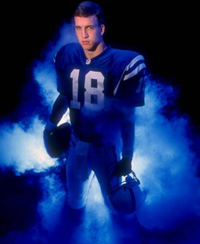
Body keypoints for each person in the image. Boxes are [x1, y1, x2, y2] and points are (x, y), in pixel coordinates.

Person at [43, 1, 147, 217]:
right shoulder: (68, 55)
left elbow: (128, 117)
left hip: (105, 148)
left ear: (101, 28)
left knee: (119, 203)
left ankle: (123, 240)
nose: (84, 35)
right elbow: (65, 95)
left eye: (89, 28)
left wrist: (127, 157)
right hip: (75, 142)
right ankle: (74, 235)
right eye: (78, 28)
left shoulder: (124, 63)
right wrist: (50, 125)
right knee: (74, 198)